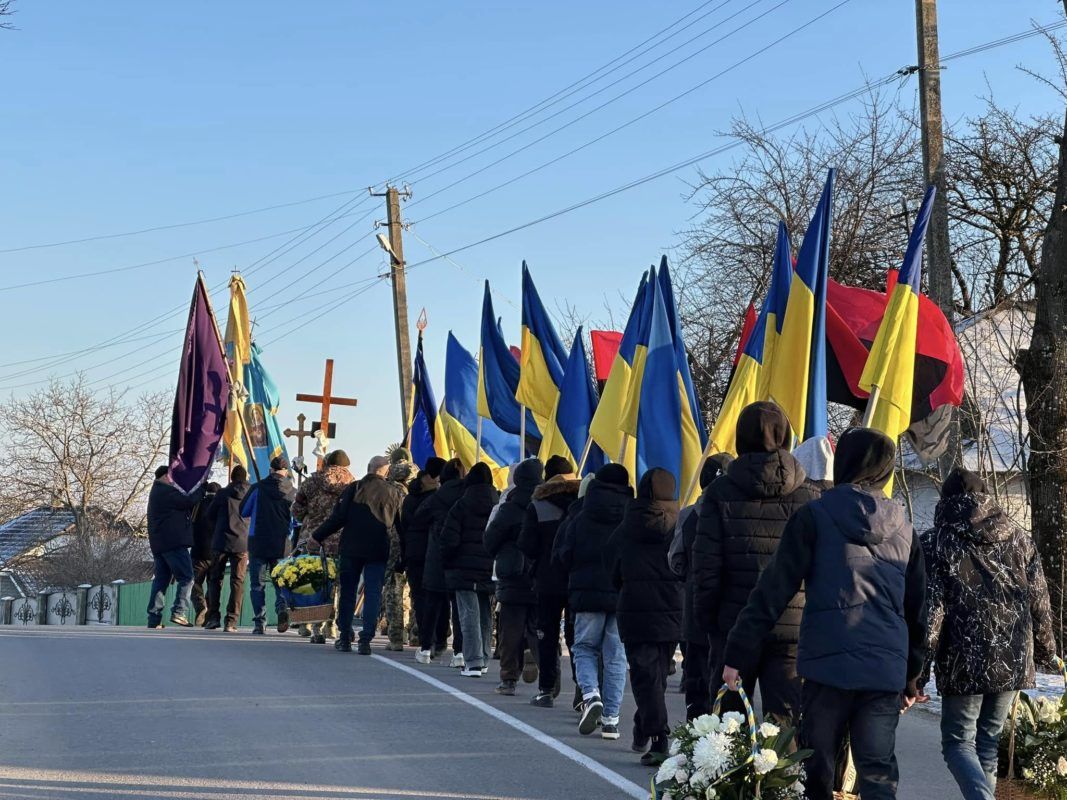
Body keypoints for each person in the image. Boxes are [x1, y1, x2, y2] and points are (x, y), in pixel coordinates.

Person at [722, 428, 928, 800]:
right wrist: (912, 675)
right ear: (885, 471)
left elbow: (774, 590)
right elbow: (916, 610)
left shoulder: (814, 516)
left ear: (845, 462)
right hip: (883, 669)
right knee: (877, 772)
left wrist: (738, 652)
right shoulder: (906, 529)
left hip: (825, 664)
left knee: (817, 768)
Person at [921, 468, 1057, 800]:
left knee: (957, 743)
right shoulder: (1020, 538)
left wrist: (919, 668)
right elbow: (1039, 601)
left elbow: (932, 611)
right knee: (987, 742)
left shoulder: (935, 541)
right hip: (1013, 656)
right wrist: (1045, 651)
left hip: (962, 659)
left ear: (946, 501)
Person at [692, 401, 821, 724]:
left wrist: (709, 621)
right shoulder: (810, 497)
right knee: (785, 725)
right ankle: (786, 775)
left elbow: (706, 567)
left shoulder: (719, 493)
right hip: (793, 625)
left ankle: (732, 775)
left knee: (728, 727)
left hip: (733, 623)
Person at [607, 468, 681, 765]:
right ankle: (648, 727)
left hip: (636, 609)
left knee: (646, 675)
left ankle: (656, 734)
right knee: (657, 674)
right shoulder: (680, 524)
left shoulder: (627, 526)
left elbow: (610, 565)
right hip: (674, 609)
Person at [556, 463, 633, 741]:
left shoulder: (581, 515)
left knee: (584, 647)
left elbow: (564, 555)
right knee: (616, 656)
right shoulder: (632, 514)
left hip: (587, 592)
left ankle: (590, 694)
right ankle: (611, 719)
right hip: (621, 594)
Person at [309, 455, 404, 654]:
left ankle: (344, 637)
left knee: (348, 592)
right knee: (373, 593)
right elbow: (401, 526)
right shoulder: (393, 493)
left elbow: (338, 518)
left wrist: (317, 536)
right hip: (378, 549)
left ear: (369, 468)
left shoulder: (354, 488)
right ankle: (366, 640)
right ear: (384, 471)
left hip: (351, 548)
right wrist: (404, 552)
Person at [668, 453, 732, 721]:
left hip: (697, 606)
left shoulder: (688, 515)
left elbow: (675, 560)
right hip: (732, 609)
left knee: (696, 678)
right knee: (728, 683)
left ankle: (698, 741)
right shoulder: (740, 512)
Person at [517, 454, 581, 708]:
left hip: (547, 578)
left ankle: (546, 688)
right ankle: (583, 688)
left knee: (547, 634)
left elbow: (526, 544)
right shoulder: (583, 503)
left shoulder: (538, 505)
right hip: (577, 579)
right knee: (579, 638)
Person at [483, 459, 542, 695]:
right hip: (540, 576)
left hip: (512, 575)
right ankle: (547, 674)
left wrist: (502, 552)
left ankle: (508, 678)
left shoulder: (508, 507)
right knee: (538, 627)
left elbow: (490, 540)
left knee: (510, 629)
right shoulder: (546, 504)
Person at [440, 462, 499, 677]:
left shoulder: (461, 506)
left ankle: (472, 661)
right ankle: (483, 658)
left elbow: (448, 540)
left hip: (464, 569)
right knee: (485, 614)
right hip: (488, 567)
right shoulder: (498, 503)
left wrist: (448, 562)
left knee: (468, 615)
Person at [292, 450, 355, 643]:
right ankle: (332, 627)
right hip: (341, 540)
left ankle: (310, 625)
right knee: (338, 585)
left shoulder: (311, 482)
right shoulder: (352, 484)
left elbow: (297, 511)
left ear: (326, 463)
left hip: (313, 539)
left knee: (312, 583)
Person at [419, 458, 469, 665]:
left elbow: (418, 517)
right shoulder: (468, 495)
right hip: (460, 555)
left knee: (431, 604)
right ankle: (459, 652)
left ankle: (424, 649)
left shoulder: (437, 496)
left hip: (436, 555)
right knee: (459, 607)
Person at [243, 456, 297, 635]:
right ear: (286, 471)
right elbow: (297, 519)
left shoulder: (257, 488)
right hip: (282, 543)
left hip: (258, 541)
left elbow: (243, 510)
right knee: (281, 581)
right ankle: (282, 608)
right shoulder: (293, 492)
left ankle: (260, 622)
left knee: (257, 584)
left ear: (271, 470)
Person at [146, 466, 204, 628]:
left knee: (161, 580)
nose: (174, 481)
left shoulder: (157, 491)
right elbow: (188, 501)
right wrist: (201, 488)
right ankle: (179, 611)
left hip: (160, 543)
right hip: (173, 542)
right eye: (172, 478)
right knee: (187, 577)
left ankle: (154, 618)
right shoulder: (165, 491)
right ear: (165, 476)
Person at [400, 456, 446, 660]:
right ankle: (432, 638)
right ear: (429, 477)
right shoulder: (430, 499)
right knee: (424, 597)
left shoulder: (414, 497)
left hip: (423, 552)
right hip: (421, 553)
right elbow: (406, 527)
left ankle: (436, 638)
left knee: (434, 597)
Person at [204, 466, 250, 632]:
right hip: (242, 543)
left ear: (231, 478)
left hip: (221, 541)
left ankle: (213, 618)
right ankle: (231, 620)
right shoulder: (251, 493)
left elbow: (209, 515)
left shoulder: (222, 493)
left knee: (215, 579)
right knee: (238, 581)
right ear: (245, 478)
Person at [384, 450, 416, 650]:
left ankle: (396, 637)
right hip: (417, 543)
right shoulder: (422, 486)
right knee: (417, 590)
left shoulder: (387, 488)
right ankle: (417, 632)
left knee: (393, 589)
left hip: (392, 543)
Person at [189, 482, 220, 626]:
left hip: (198, 552)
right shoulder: (221, 507)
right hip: (216, 552)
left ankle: (201, 606)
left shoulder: (197, 505)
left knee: (194, 582)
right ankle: (210, 616)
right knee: (213, 585)